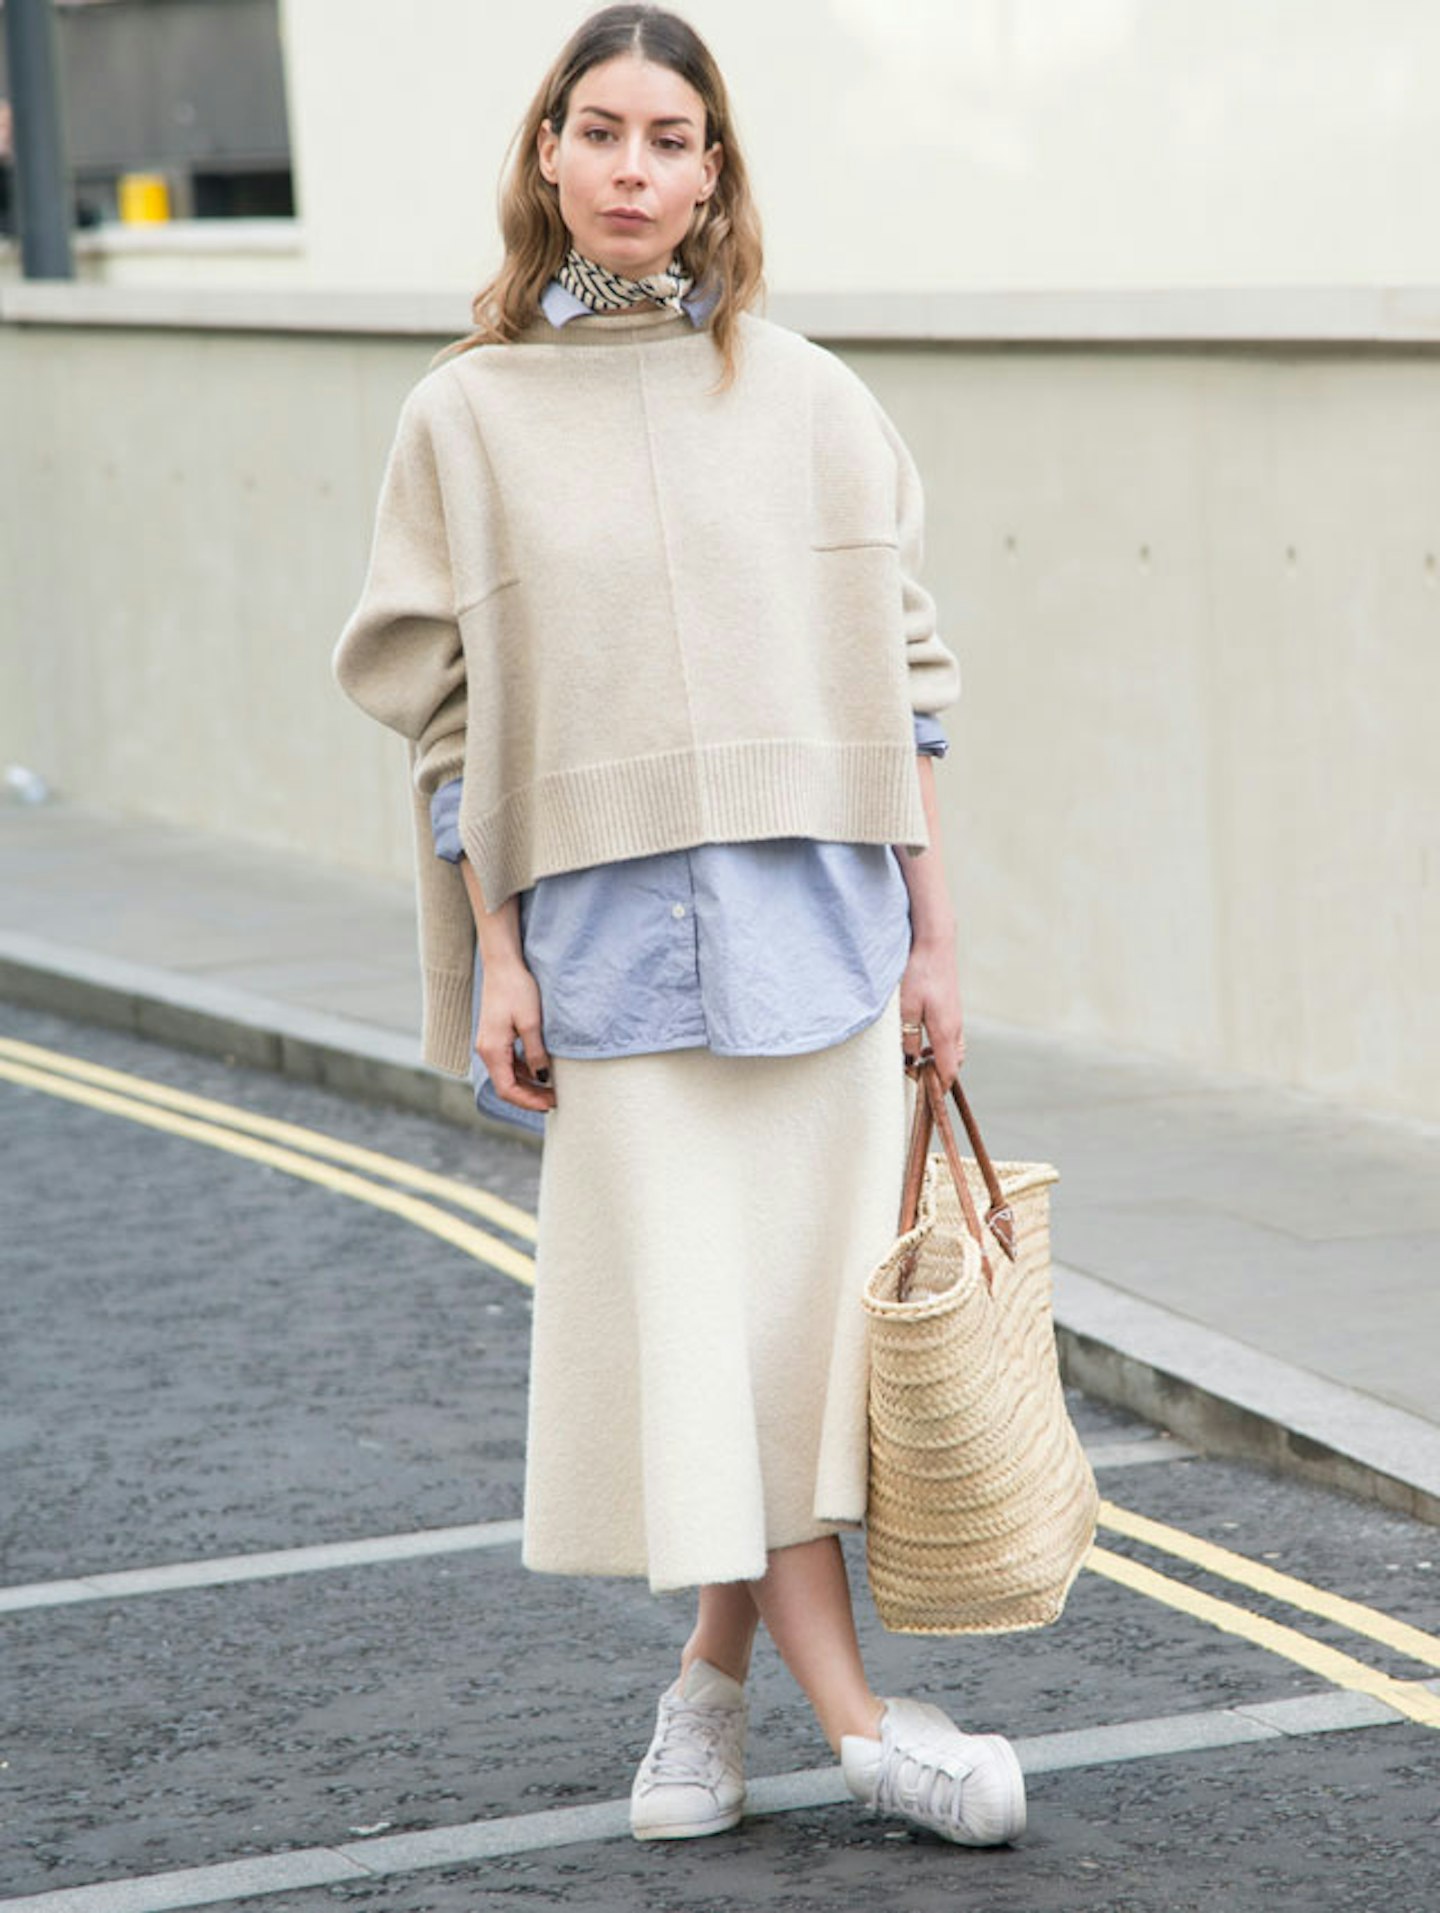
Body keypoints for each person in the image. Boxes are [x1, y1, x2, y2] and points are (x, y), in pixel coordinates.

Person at [334, 2, 1025, 1853]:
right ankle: (872, 1729)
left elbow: (910, 692)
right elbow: (452, 722)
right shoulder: (461, 418)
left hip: (825, 936)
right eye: (601, 131)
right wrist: (493, 949)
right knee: (716, 1348)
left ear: (714, 170)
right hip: (613, 958)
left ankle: (706, 1702)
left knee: (790, 1363)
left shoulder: (806, 396)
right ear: (546, 153)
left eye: (670, 137)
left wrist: (936, 946)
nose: (634, 168)